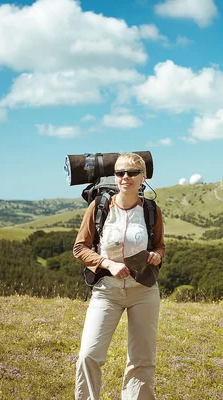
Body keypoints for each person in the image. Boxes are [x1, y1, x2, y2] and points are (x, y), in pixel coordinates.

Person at [73, 152, 165, 400]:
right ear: (114, 177)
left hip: (143, 291)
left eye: (133, 173)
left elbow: (160, 246)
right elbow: (79, 248)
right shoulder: (100, 207)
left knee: (142, 360)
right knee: (89, 355)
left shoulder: (151, 210)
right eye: (120, 173)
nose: (126, 177)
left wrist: (156, 255)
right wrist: (107, 263)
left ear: (143, 177)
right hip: (107, 291)